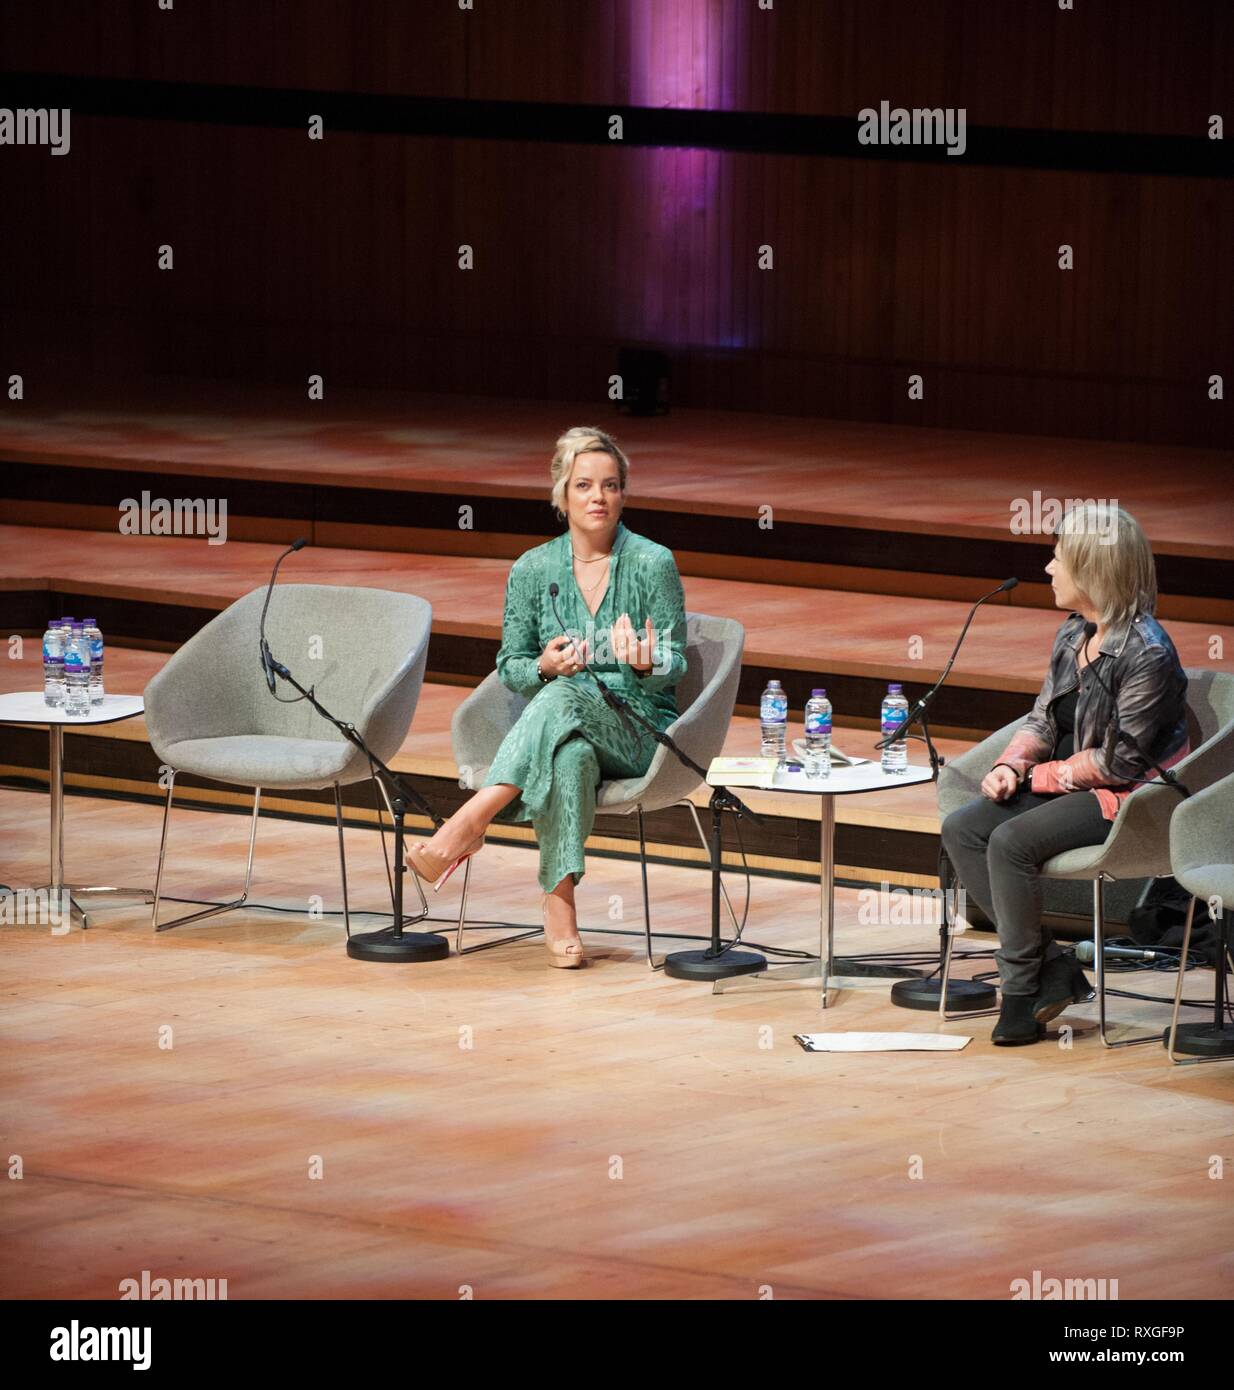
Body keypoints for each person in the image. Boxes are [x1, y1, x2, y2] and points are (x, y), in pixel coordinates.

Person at [406, 426, 688, 967]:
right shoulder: (532, 569)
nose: (598, 498)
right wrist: (544, 663)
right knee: (570, 753)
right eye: (584, 485)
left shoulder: (653, 562)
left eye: (610, 486)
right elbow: (509, 666)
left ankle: (467, 824)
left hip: (638, 727)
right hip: (570, 729)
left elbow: (674, 663)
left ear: (624, 494)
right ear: (561, 495)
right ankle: (560, 907)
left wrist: (647, 660)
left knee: (563, 699)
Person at [940, 503, 1189, 1044]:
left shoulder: (1147, 651)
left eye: (1057, 558)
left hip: (1130, 797)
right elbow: (1043, 719)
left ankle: (1023, 988)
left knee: (1009, 841)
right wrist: (1012, 764)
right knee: (964, 827)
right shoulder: (1072, 634)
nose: (1049, 569)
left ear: (1092, 570)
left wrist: (1041, 778)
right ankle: (1049, 967)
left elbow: (1123, 761)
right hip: (1071, 780)